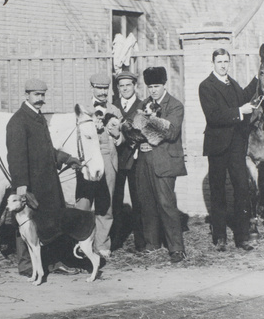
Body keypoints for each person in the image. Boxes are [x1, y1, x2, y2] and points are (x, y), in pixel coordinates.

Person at [6, 78, 83, 276]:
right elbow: (16, 158)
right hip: (29, 184)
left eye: (42, 95)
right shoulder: (18, 121)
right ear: (27, 95)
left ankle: (54, 262)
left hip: (48, 182)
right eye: (36, 95)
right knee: (25, 222)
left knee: (51, 221)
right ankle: (26, 265)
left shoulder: (38, 118)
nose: (40, 99)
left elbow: (47, 149)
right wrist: (22, 187)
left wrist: (67, 159)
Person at [198, 48, 257, 252]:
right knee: (218, 190)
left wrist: (259, 77)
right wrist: (240, 112)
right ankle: (220, 236)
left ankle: (242, 237)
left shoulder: (232, 83)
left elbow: (245, 97)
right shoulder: (206, 86)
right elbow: (213, 116)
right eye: (219, 61)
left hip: (236, 146)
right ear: (213, 62)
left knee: (242, 187)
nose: (223, 65)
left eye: (226, 61)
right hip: (217, 146)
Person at [135, 66, 187, 263]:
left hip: (165, 161)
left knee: (166, 204)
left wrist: (147, 137)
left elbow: (171, 132)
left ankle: (176, 248)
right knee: (147, 203)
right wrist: (143, 137)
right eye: (150, 86)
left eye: (156, 86)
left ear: (164, 85)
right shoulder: (144, 104)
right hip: (145, 160)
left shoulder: (175, 105)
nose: (153, 90)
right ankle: (152, 243)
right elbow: (134, 130)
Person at [75, 72, 123, 260]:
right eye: (99, 88)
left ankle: (102, 245)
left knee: (106, 203)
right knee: (84, 203)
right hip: (88, 161)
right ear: (92, 88)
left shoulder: (115, 110)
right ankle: (80, 243)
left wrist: (118, 134)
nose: (103, 92)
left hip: (108, 160)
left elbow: (122, 137)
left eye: (105, 88)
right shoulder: (83, 109)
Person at [110, 71, 145, 252]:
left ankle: (141, 241)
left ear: (135, 86)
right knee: (116, 201)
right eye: (121, 86)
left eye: (128, 85)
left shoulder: (142, 106)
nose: (125, 88)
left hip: (136, 160)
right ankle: (115, 239)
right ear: (118, 88)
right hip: (117, 161)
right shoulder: (112, 107)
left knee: (138, 200)